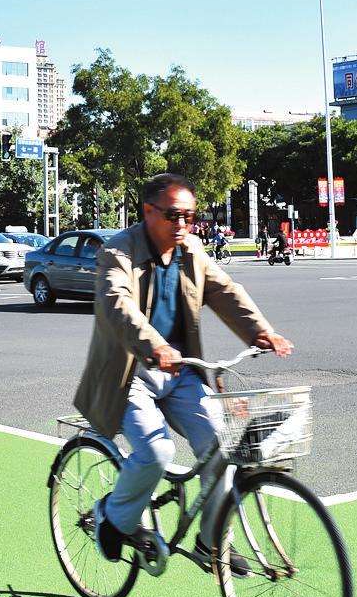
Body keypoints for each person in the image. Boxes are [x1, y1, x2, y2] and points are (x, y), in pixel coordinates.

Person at [75, 173, 293, 572]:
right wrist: (155, 345)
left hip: (180, 371)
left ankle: (211, 542)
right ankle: (113, 518)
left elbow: (224, 290)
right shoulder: (118, 252)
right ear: (148, 211)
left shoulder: (191, 250)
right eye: (173, 215)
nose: (182, 225)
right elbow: (117, 304)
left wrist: (260, 331)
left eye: (190, 217)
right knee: (157, 452)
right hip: (130, 373)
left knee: (225, 448)